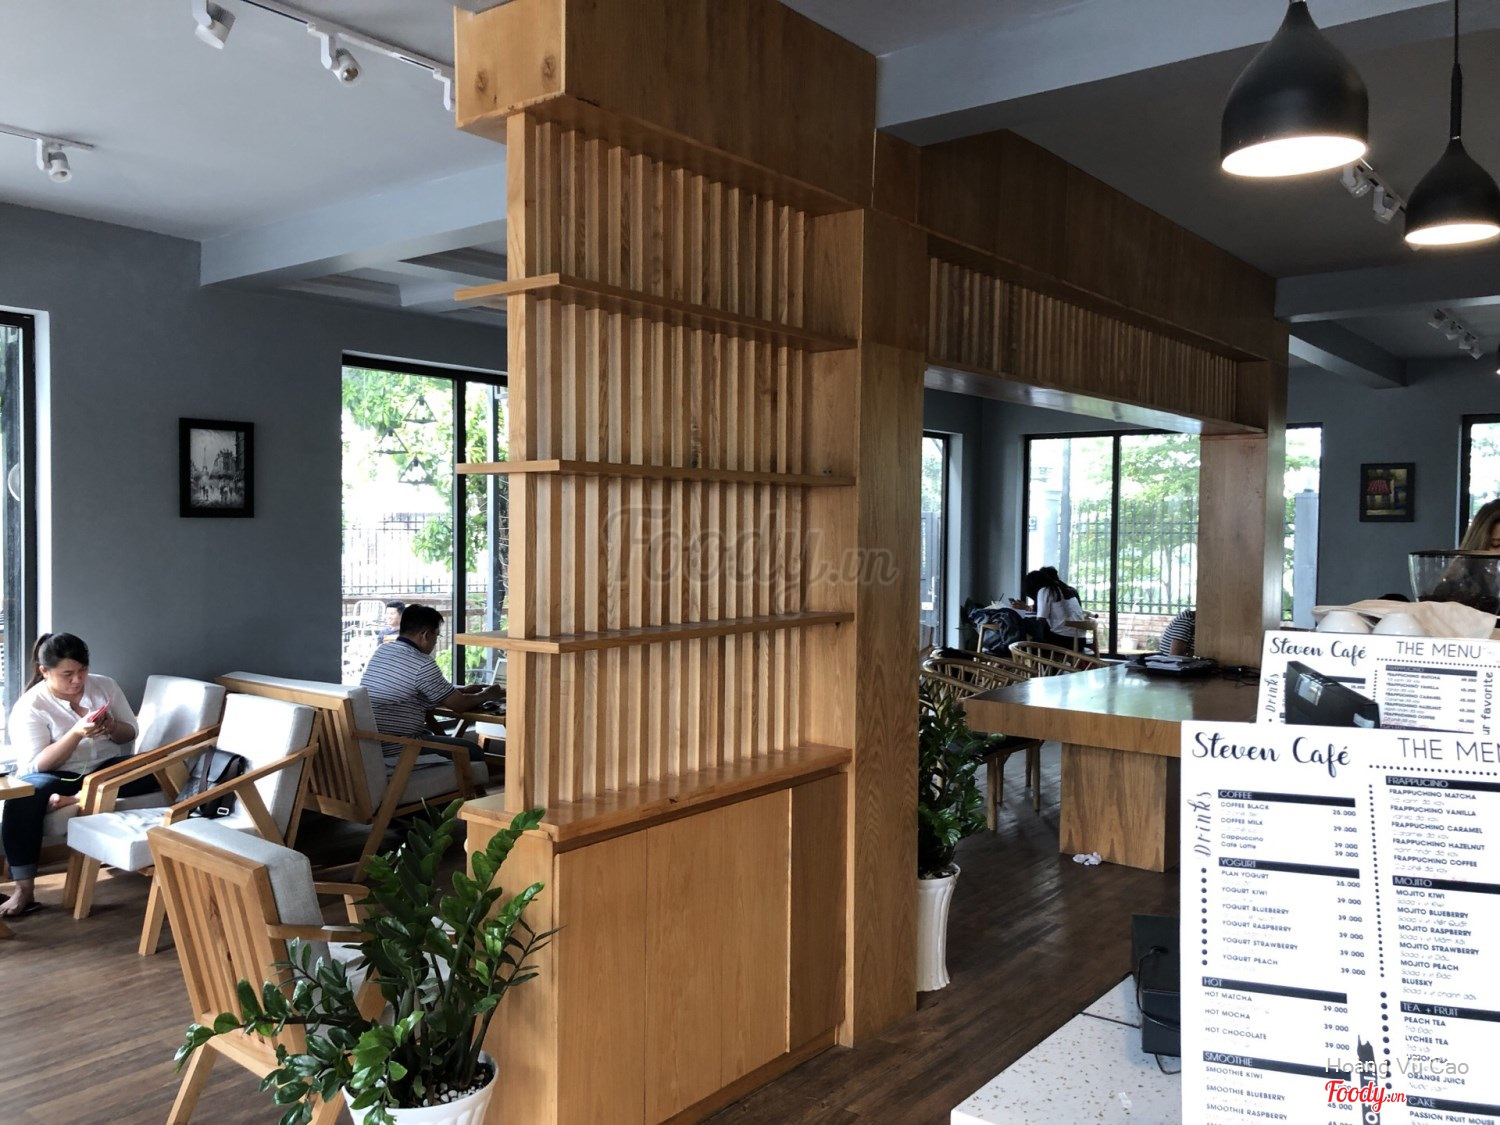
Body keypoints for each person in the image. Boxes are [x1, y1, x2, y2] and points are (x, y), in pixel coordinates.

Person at [1, 633, 150, 918]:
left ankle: (76, 798)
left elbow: (130, 733)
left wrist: (111, 726)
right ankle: (24, 889)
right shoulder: (31, 706)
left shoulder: (105, 685)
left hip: (107, 768)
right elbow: (37, 765)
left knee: (159, 767)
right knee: (24, 796)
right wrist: (74, 734)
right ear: (45, 671)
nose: (77, 680)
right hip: (56, 774)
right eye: (67, 674)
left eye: (82, 670)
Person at [360, 604, 503, 764]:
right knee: (474, 751)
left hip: (373, 744)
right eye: (437, 635)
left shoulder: (382, 651)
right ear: (426, 635)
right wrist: (487, 695)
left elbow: (412, 691)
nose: (435, 641)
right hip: (400, 748)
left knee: (435, 736)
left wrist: (462, 691)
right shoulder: (421, 663)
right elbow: (459, 705)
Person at [1020, 566, 1089, 647]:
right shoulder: (1066, 590)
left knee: (1022, 625)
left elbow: (1041, 621)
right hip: (1080, 641)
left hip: (1063, 641)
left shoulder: (1045, 590)